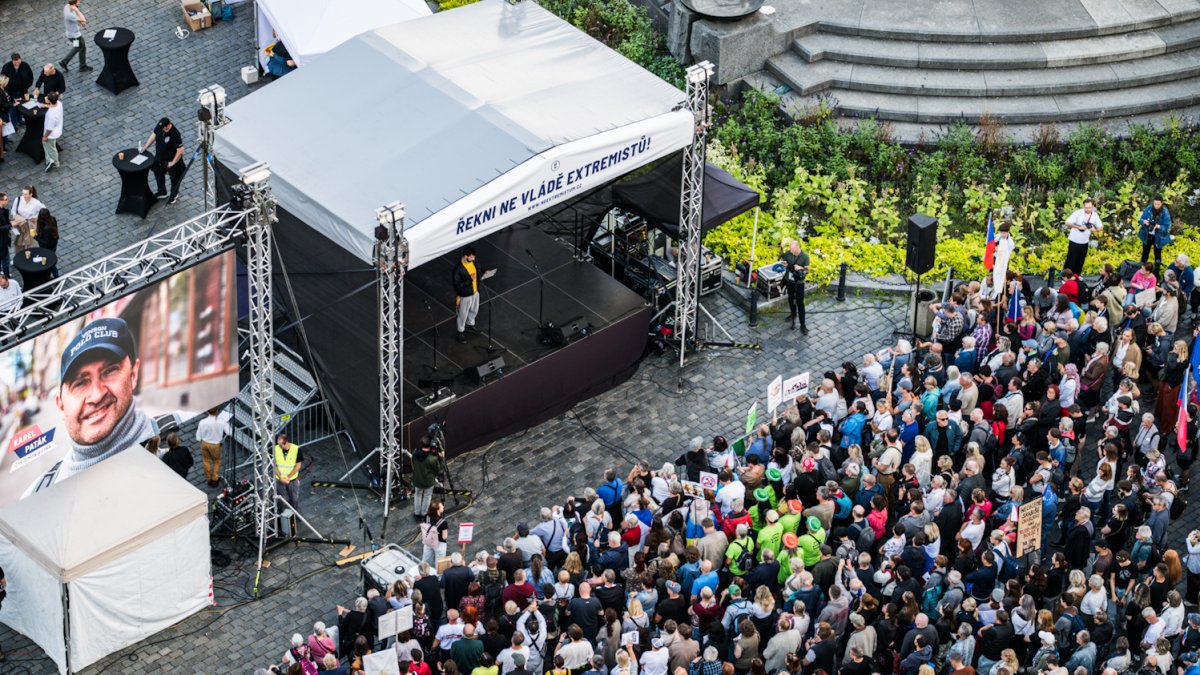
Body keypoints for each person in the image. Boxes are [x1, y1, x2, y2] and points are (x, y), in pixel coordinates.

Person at [25, 317, 155, 496]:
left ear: (133, 374)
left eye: (109, 371)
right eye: (80, 383)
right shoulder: (35, 498)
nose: (97, 395)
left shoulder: (185, 428)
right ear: (60, 405)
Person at [140, 118, 185, 204]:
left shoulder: (175, 134)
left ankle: (174, 195)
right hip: (159, 157)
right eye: (163, 128)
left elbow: (180, 151)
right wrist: (146, 146)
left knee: (174, 178)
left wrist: (173, 162)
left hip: (170, 160)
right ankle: (162, 191)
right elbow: (154, 134)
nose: (164, 130)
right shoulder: (160, 126)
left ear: (169, 124)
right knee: (157, 172)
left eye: (165, 128)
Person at [1063, 198, 1102, 274]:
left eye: (1089, 208)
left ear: (1093, 206)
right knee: (1070, 260)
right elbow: (1067, 222)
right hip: (1074, 240)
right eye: (1086, 207)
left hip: (1084, 241)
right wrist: (1078, 227)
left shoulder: (1095, 215)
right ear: (1083, 206)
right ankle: (1065, 277)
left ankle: (1076, 276)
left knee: (1080, 260)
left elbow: (1101, 227)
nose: (1088, 209)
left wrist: (1095, 229)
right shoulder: (1078, 213)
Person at [453, 246, 482, 343]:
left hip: (475, 292)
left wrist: (483, 272)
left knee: (474, 309)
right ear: (466, 256)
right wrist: (470, 279)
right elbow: (457, 285)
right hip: (465, 295)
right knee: (462, 314)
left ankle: (470, 325)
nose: (473, 259)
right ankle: (460, 332)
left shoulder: (473, 263)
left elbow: (478, 271)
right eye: (471, 257)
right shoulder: (458, 269)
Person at [412, 436, 445, 520]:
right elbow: (439, 469)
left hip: (417, 480)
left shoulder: (415, 453)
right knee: (427, 496)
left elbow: (413, 462)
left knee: (418, 495)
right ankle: (423, 514)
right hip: (428, 482)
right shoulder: (432, 458)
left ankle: (417, 513)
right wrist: (441, 458)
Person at [196, 406, 229, 488]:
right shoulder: (221, 421)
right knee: (216, 461)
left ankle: (208, 477)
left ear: (207, 412)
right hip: (215, 445)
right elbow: (229, 432)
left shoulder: (202, 422)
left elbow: (198, 437)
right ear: (217, 411)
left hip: (205, 443)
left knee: (206, 461)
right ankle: (214, 479)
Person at [781, 239, 809, 333]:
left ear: (798, 247)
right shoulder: (788, 254)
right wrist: (784, 264)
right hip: (790, 281)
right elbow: (785, 262)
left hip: (799, 283)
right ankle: (793, 314)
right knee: (790, 299)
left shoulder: (805, 256)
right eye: (790, 249)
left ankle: (803, 325)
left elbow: (807, 270)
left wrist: (800, 268)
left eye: (792, 249)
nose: (791, 251)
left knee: (800, 303)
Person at [1138, 196, 1172, 271]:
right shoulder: (1149, 208)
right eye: (1155, 204)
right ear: (1153, 202)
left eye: (1158, 204)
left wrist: (1159, 226)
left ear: (1161, 203)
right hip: (1148, 234)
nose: (1156, 206)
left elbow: (1167, 227)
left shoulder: (1165, 212)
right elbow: (1141, 219)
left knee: (1157, 255)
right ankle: (1142, 270)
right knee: (1145, 253)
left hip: (1158, 236)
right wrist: (1144, 222)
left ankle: (1156, 272)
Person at [60, 0, 92, 72]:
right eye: (78, 1)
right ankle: (82, 66)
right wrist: (77, 10)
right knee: (82, 47)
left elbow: (81, 21)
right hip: (75, 36)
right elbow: (83, 20)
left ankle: (65, 62)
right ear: (74, 3)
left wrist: (80, 21)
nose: (80, 2)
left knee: (78, 47)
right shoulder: (70, 15)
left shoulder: (67, 6)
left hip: (71, 34)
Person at [274, 432, 303, 511]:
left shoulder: (296, 449)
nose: (279, 446)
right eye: (278, 444)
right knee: (281, 499)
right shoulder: (275, 449)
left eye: (280, 445)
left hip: (292, 480)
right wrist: (281, 478)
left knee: (293, 498)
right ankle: (281, 514)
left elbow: (298, 466)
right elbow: (274, 465)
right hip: (280, 480)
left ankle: (294, 514)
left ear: (286, 442)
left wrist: (288, 478)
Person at [41, 92, 62, 173]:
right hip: (57, 130)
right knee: (51, 146)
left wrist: (45, 136)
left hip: (51, 134)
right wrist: (46, 105)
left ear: (49, 100)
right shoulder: (59, 104)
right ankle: (49, 160)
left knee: (50, 148)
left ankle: (55, 162)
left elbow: (49, 129)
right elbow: (52, 105)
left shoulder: (51, 115)